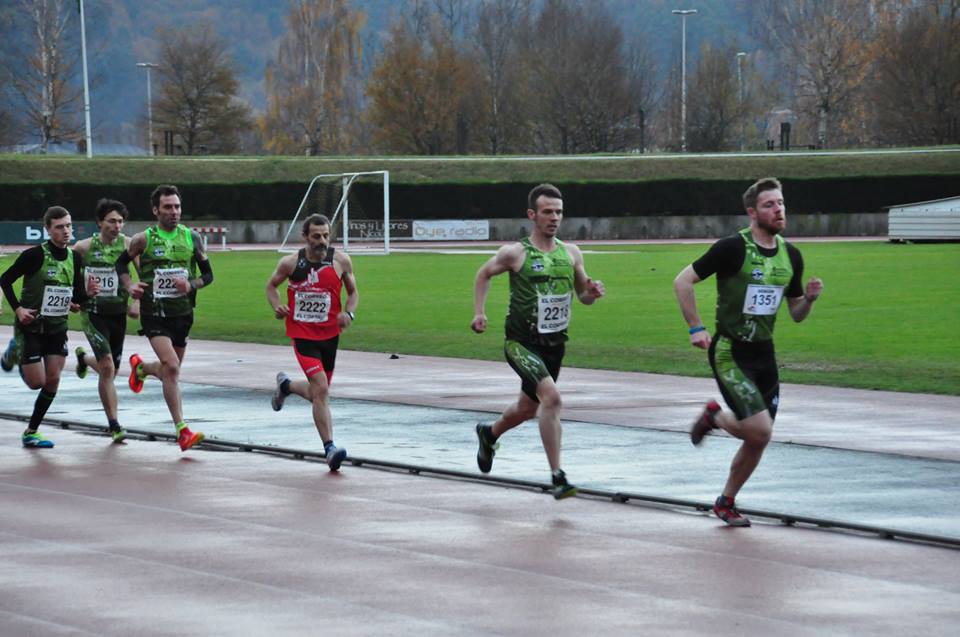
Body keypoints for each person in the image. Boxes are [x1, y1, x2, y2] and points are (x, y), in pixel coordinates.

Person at [673, 177, 823, 527]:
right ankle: (715, 418)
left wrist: (810, 301)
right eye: (770, 205)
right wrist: (696, 328)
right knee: (760, 431)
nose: (779, 210)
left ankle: (726, 501)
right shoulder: (732, 248)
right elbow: (683, 281)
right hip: (730, 351)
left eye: (781, 203)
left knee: (759, 438)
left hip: (764, 355)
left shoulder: (791, 255)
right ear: (752, 212)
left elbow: (796, 313)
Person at [471, 183, 605, 499]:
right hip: (521, 343)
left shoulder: (571, 253)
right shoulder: (515, 253)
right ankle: (558, 475)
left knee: (526, 408)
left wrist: (592, 293)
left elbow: (582, 296)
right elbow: (483, 274)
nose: (554, 218)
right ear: (532, 215)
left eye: (558, 212)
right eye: (547, 212)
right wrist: (479, 312)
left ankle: (488, 434)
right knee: (553, 399)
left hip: (555, 345)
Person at [115, 185, 213, 452]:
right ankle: (182, 430)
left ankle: (142, 368)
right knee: (171, 367)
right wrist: (129, 286)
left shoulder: (192, 238)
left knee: (171, 371)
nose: (174, 212)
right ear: (156, 210)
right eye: (168, 207)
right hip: (153, 313)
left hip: (182, 313)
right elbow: (121, 264)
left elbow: (208, 275)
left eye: (177, 207)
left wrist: (191, 285)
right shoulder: (143, 239)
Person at [265, 213, 359, 471]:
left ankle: (286, 386)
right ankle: (330, 448)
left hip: (330, 336)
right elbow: (271, 286)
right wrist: (277, 306)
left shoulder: (341, 260)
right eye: (316, 236)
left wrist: (349, 313)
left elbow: (353, 293)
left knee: (319, 392)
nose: (322, 241)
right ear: (305, 236)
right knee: (321, 389)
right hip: (303, 335)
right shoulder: (291, 263)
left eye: (326, 235)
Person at [0, 206, 100, 448]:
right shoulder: (34, 255)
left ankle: (31, 431)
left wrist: (87, 296)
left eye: (68, 225)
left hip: (57, 327)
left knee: (52, 380)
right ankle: (14, 350)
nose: (66, 231)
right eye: (59, 227)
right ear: (48, 230)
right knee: (36, 382)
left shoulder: (75, 258)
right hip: (31, 326)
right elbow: (5, 279)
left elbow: (75, 295)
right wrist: (19, 310)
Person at [71, 199, 140, 443]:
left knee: (108, 369)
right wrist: (75, 298)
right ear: (100, 222)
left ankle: (83, 359)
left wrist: (136, 302)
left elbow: (142, 276)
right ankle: (114, 424)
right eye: (111, 221)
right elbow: (70, 274)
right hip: (93, 313)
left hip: (118, 315)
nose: (117, 226)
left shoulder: (130, 245)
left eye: (120, 221)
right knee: (108, 367)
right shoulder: (83, 247)